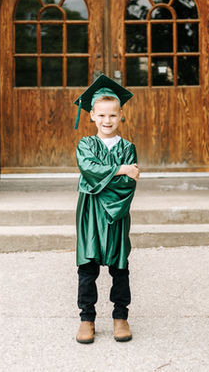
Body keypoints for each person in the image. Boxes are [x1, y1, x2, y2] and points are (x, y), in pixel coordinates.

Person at [73, 74, 140, 344]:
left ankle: (120, 316)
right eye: (101, 115)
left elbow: (127, 186)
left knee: (119, 267)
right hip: (90, 214)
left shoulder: (128, 148)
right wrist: (120, 170)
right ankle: (86, 319)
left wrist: (106, 181)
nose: (107, 120)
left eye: (112, 115)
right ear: (91, 115)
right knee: (87, 268)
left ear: (121, 114)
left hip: (117, 214)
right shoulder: (85, 145)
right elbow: (88, 170)